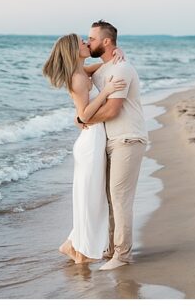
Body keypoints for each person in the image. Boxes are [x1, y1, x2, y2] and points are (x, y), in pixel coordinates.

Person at [42, 33, 127, 264]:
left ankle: (73, 245)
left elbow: (97, 69)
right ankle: (78, 251)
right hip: (90, 143)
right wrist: (107, 92)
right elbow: (84, 115)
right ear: (73, 49)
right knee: (90, 199)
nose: (87, 44)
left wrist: (117, 55)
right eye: (82, 42)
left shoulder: (81, 71)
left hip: (93, 139)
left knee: (91, 198)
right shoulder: (78, 78)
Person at [78, 20, 149, 270]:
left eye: (92, 39)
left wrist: (83, 119)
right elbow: (75, 72)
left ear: (107, 42)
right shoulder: (103, 68)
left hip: (128, 139)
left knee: (120, 200)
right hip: (112, 141)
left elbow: (112, 109)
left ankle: (122, 254)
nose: (88, 42)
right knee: (111, 198)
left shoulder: (121, 69)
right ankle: (110, 249)